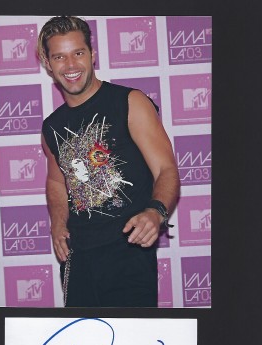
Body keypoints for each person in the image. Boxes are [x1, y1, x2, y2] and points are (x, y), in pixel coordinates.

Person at [37, 16, 180, 307]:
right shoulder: (51, 126)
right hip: (78, 257)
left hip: (128, 250)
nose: (71, 65)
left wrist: (155, 212)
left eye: (78, 53)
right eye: (60, 57)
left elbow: (166, 169)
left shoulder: (130, 101)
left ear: (92, 55)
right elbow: (56, 181)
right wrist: (58, 224)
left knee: (130, 334)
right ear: (48, 64)